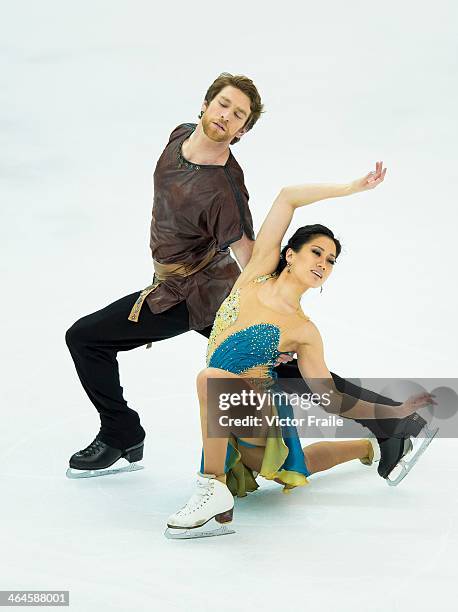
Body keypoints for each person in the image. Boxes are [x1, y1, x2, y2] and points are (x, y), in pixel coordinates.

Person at [65, 72, 428, 481]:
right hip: (169, 286)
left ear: (242, 131)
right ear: (204, 105)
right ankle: (123, 431)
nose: (226, 116)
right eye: (223, 105)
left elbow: (249, 251)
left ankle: (120, 432)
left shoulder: (223, 189)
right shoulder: (179, 136)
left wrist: (273, 318)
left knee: (86, 338)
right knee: (289, 372)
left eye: (239, 115)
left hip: (198, 295)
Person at [165, 163, 438, 539]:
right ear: (290, 254)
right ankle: (368, 447)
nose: (323, 264)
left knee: (210, 379)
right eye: (317, 252)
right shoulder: (255, 274)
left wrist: (392, 410)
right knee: (301, 464)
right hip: (226, 420)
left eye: (330, 261)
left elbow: (331, 397)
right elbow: (288, 197)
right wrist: (351, 187)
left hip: (258, 413)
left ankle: (211, 487)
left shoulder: (304, 331)